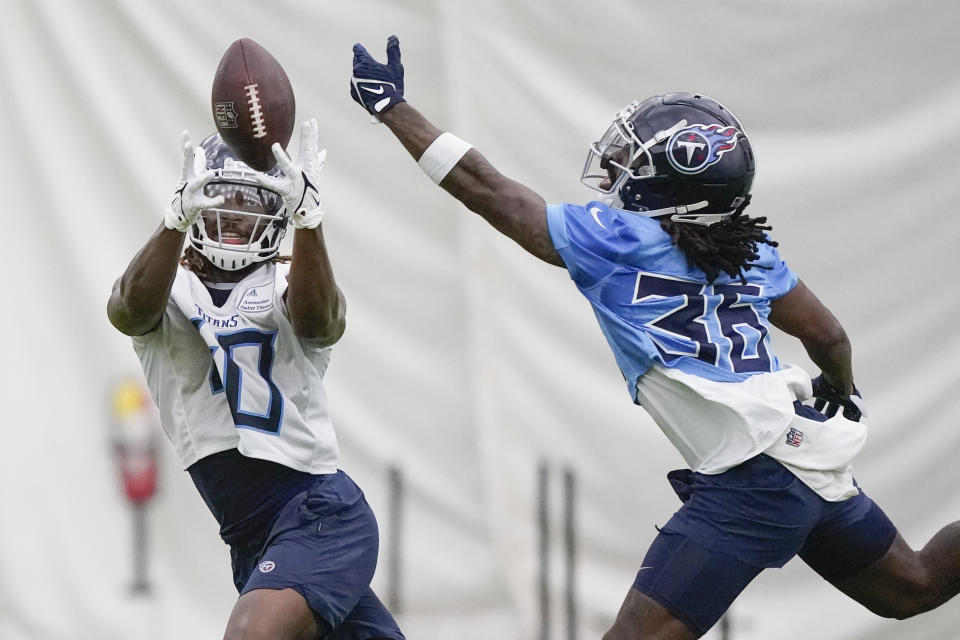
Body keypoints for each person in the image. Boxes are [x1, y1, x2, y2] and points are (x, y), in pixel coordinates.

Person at [348, 36, 960, 639]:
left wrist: (393, 110)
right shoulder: (750, 250)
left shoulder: (616, 240)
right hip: (806, 457)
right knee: (914, 587)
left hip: (752, 477)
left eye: (634, 159)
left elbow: (490, 191)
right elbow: (828, 335)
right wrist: (838, 381)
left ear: (670, 181)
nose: (616, 165)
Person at [107, 120, 404, 640]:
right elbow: (127, 312)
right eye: (223, 197)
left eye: (252, 203)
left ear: (277, 212)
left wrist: (310, 218)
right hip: (253, 541)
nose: (236, 216)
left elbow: (321, 323)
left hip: (319, 517)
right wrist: (173, 221)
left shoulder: (292, 281)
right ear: (196, 200)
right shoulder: (165, 288)